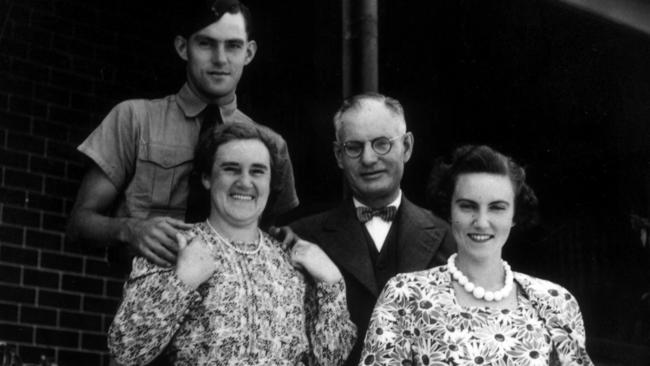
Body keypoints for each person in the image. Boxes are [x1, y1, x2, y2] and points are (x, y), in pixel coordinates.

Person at [66, 0, 298, 268]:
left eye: (233, 46)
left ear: (249, 52)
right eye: (205, 43)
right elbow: (78, 224)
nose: (220, 58)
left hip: (232, 302)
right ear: (182, 47)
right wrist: (131, 230)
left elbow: (270, 235)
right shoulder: (134, 119)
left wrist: (283, 238)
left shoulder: (269, 146)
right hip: (146, 296)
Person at [108, 122, 356, 365]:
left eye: (257, 171)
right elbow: (126, 351)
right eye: (231, 169)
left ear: (270, 182)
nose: (245, 182)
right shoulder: (173, 248)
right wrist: (181, 282)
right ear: (207, 177)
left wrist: (332, 282)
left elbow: (328, 359)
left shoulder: (291, 261)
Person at [359, 145, 593, 365]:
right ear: (449, 209)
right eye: (467, 206)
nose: (481, 222)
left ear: (514, 215)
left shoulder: (555, 302)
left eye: (497, 207)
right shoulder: (406, 295)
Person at [291, 92, 456, 366]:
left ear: (407, 146)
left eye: (382, 144)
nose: (368, 159)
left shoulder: (448, 238)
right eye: (354, 147)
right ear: (338, 155)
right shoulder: (302, 237)